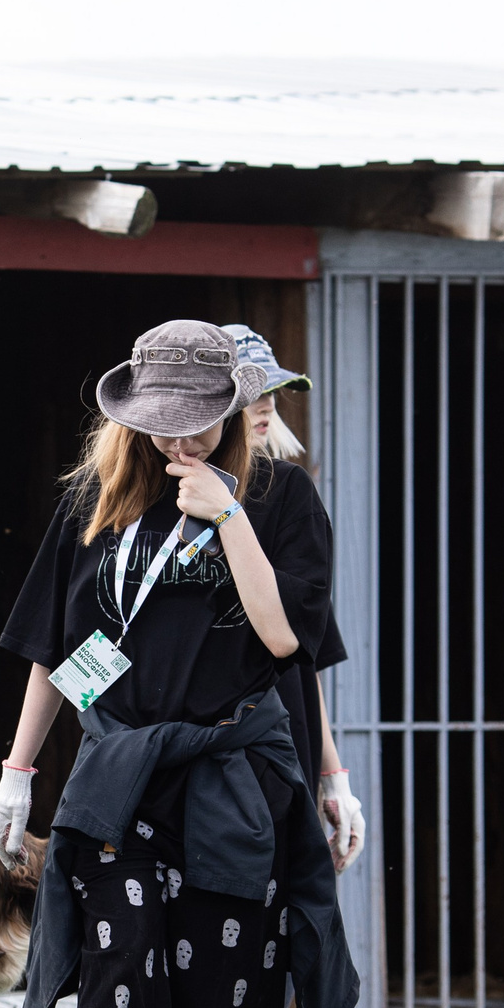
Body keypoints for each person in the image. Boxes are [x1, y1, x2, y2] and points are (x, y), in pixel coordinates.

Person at [0, 319, 357, 1008]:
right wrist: (17, 772)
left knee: (226, 981)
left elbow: (286, 640)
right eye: (163, 422)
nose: (181, 440)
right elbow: (60, 648)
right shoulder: (96, 498)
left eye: (200, 422)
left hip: (233, 776)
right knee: (119, 971)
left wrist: (228, 516)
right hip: (121, 771)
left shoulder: (283, 499)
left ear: (233, 407)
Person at [224, 324, 366, 874]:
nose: (266, 406)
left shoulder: (287, 492)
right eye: (252, 393)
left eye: (274, 392)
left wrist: (334, 776)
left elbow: (304, 658)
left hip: (285, 741)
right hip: (203, 751)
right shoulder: (166, 503)